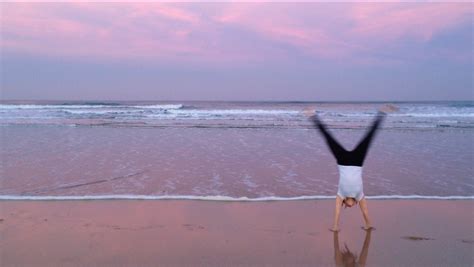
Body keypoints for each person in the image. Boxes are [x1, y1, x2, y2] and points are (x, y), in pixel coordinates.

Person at [304, 104, 398, 232]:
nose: (351, 207)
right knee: (369, 137)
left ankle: (312, 114)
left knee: (328, 138)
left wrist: (335, 226)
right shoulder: (360, 196)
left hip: (342, 160)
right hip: (357, 162)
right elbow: (365, 211)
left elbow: (337, 212)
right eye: (353, 206)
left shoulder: (340, 195)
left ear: (344, 204)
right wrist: (368, 225)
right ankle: (383, 112)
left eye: (347, 207)